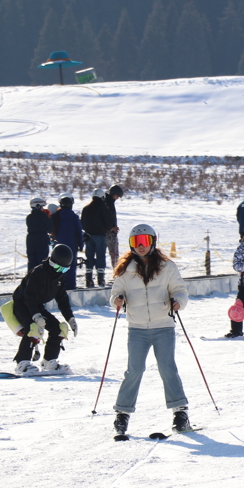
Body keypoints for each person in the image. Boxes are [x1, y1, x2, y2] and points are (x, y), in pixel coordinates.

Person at [109, 223, 192, 438]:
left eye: (144, 241)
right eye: (136, 242)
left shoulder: (167, 267)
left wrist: (178, 302)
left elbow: (180, 291)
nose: (141, 246)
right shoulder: (125, 270)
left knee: (167, 368)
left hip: (163, 326)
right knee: (134, 370)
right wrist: (117, 300)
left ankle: (180, 412)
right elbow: (115, 293)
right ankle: (122, 414)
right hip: (137, 328)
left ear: (153, 242)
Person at [10, 243, 78, 376]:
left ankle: (49, 361)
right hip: (23, 305)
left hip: (37, 306)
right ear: (52, 263)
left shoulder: (59, 277)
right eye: (58, 268)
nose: (60, 272)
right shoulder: (38, 273)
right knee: (33, 328)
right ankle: (22, 363)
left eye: (64, 270)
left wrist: (70, 318)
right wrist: (36, 316)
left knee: (59, 329)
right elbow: (29, 297)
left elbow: (62, 299)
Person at [51, 194, 85, 289]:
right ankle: (70, 286)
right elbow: (79, 231)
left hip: (58, 245)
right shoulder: (74, 217)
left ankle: (58, 286)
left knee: (58, 266)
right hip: (71, 245)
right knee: (71, 266)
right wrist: (81, 245)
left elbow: (51, 229)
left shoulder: (55, 216)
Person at [81, 189, 114, 287]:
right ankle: (100, 279)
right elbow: (109, 222)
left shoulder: (86, 208)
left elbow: (82, 223)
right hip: (100, 236)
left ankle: (88, 278)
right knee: (101, 257)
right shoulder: (104, 208)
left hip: (89, 236)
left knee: (89, 257)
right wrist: (105, 229)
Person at [25, 196, 52, 272]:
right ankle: (41, 280)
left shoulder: (29, 217)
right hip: (42, 239)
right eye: (42, 207)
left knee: (31, 261)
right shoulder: (44, 216)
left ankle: (31, 279)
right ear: (38, 206)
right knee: (42, 261)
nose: (43, 209)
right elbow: (50, 228)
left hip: (30, 239)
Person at [105, 184, 124, 270]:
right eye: (117, 196)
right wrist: (112, 228)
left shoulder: (106, 201)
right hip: (109, 233)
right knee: (114, 253)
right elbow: (106, 218)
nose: (117, 198)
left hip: (105, 231)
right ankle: (117, 270)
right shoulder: (108, 203)